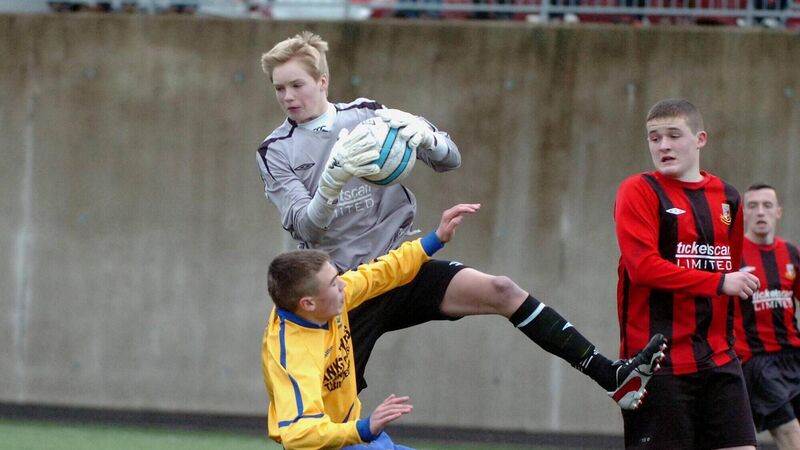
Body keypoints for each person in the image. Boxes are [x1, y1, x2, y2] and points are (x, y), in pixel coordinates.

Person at [256, 30, 667, 414]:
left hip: (402, 266)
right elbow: (306, 228)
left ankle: (613, 377)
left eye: (297, 85)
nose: (288, 96)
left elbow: (450, 159)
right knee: (330, 412)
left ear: (323, 81)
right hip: (346, 289)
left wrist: (427, 137)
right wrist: (331, 182)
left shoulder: (369, 115)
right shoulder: (275, 150)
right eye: (279, 88)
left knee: (501, 290)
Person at [262, 204, 477, 449]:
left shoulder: (331, 300)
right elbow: (298, 433)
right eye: (333, 283)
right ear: (308, 303)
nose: (343, 285)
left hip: (351, 435)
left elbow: (380, 272)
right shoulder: (294, 354)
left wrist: (436, 239)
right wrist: (364, 428)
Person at [614, 98, 762, 449]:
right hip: (657, 366)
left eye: (674, 135)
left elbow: (729, 273)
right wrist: (719, 282)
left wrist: (735, 344)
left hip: (720, 361)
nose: (663, 146)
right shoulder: (638, 190)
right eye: (654, 138)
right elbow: (643, 268)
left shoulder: (728, 197)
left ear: (700, 139)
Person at [734, 183, 800, 450]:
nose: (760, 212)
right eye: (753, 206)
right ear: (744, 213)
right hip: (757, 362)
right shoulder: (732, 255)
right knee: (789, 432)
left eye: (767, 205)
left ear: (778, 212)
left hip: (793, 356)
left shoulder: (791, 254)